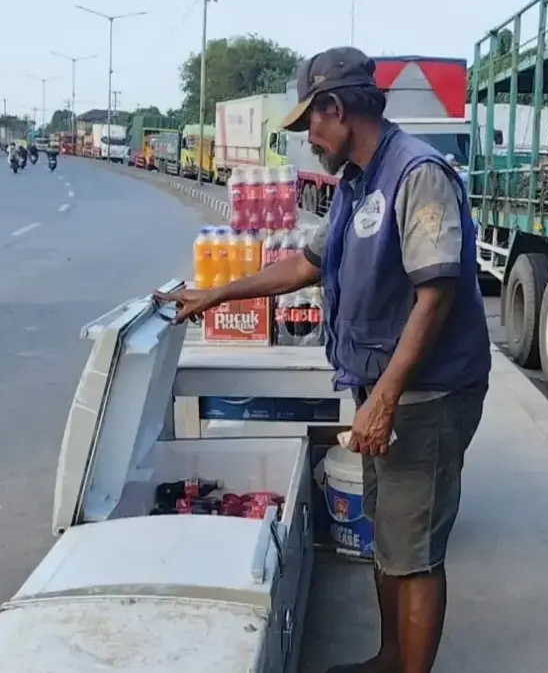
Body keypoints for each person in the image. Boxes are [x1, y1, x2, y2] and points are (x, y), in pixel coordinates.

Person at [155, 46, 490, 673]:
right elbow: (308, 262)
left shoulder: (416, 174)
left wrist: (386, 400)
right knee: (389, 539)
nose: (308, 138)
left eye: (310, 121)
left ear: (336, 109)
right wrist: (218, 293)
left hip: (428, 395)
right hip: (382, 391)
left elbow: (435, 296)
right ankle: (390, 657)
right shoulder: (358, 182)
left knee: (414, 552)